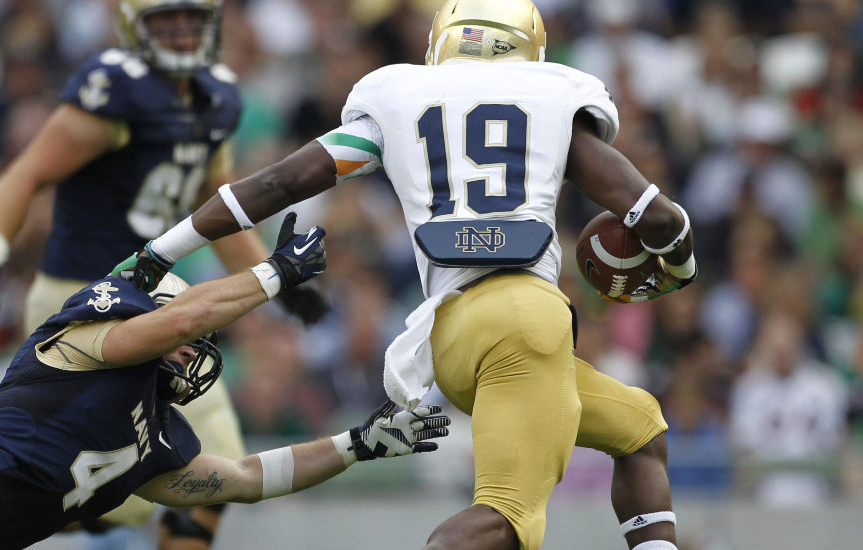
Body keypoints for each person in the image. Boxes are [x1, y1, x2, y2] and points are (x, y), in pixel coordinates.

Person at [120, 1, 700, 549]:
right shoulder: (553, 99)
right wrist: (678, 269)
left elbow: (276, 185)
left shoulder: (399, 97)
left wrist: (161, 251)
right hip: (525, 319)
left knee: (641, 429)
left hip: (449, 334)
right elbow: (659, 218)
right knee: (504, 517)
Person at [0, 215, 449, 550]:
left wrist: (357, 444)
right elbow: (175, 321)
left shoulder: (152, 443)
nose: (193, 350)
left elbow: (252, 478)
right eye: (184, 334)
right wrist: (272, 275)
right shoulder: (87, 343)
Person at [0, 0, 327, 544]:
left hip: (156, 300)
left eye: (193, 19)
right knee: (88, 482)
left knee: (217, 473)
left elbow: (215, 202)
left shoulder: (218, 95)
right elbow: (24, 175)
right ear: (132, 27)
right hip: (80, 303)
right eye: (166, 20)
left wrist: (274, 279)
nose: (183, 32)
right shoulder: (116, 91)